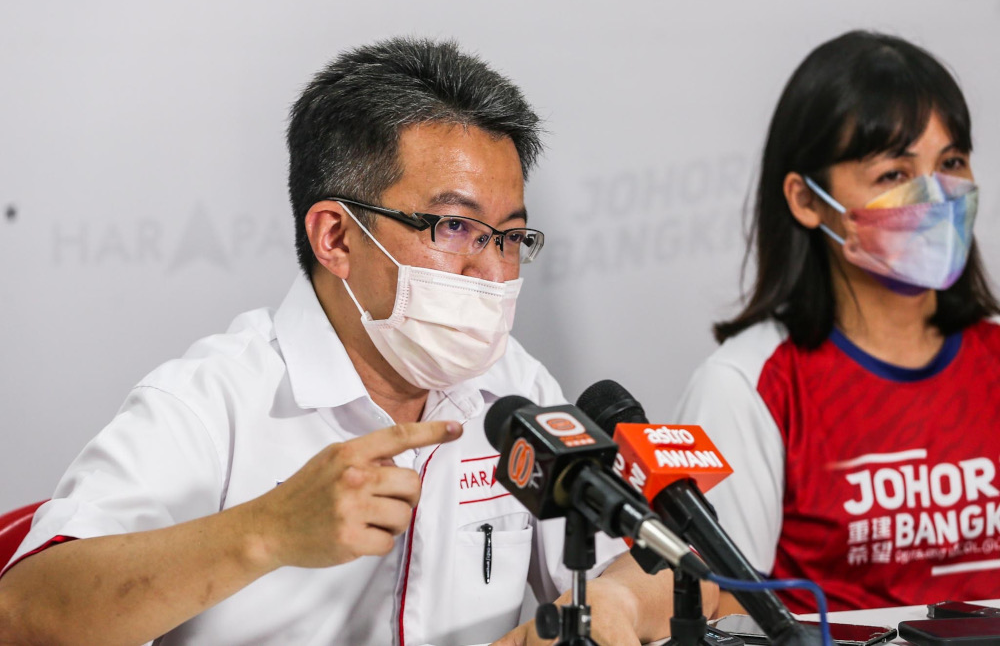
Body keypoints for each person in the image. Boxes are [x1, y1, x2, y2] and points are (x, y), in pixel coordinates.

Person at [0, 37, 688, 645]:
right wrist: (265, 529)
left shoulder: (512, 386)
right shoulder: (213, 400)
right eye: (455, 228)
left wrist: (615, 597)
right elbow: (25, 613)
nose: (493, 269)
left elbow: (672, 569)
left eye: (510, 237)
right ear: (335, 237)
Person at [675, 29, 1000, 613]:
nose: (937, 197)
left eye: (951, 163)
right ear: (805, 200)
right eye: (894, 174)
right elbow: (718, 607)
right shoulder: (748, 385)